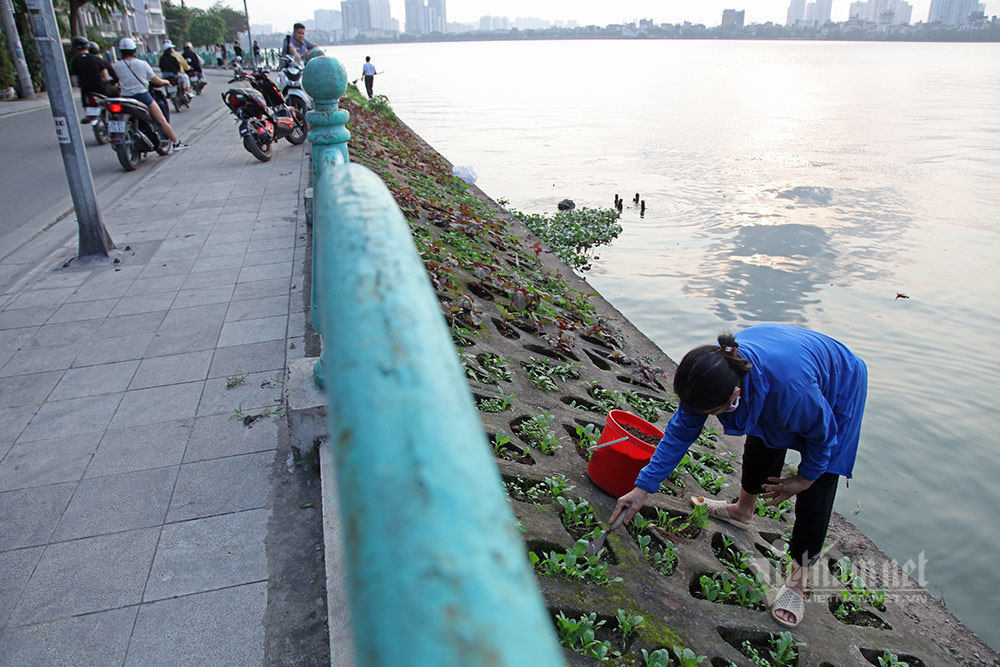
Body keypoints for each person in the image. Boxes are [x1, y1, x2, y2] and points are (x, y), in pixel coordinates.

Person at [609, 323, 867, 629]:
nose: (709, 417)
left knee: (819, 487)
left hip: (838, 380)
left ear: (734, 394)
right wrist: (642, 487)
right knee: (761, 440)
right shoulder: (709, 378)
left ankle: (798, 582)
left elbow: (825, 438)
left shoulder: (792, 392)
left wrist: (804, 478)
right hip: (785, 361)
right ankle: (742, 511)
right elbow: (679, 433)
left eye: (714, 412)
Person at [113, 38, 188, 151]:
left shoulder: (117, 66)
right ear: (134, 51)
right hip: (142, 96)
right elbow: (155, 80)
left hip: (126, 98)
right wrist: (165, 82)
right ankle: (176, 143)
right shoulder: (142, 64)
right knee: (161, 120)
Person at [70, 36, 116, 108]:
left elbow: (77, 79)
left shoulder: (75, 61)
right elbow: (106, 77)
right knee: (116, 92)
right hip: (101, 90)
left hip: (86, 92)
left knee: (85, 103)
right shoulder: (96, 59)